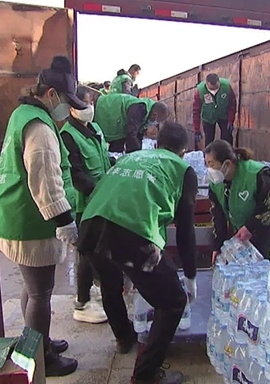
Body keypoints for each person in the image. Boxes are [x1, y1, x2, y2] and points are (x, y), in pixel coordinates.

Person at [77, 121, 198, 384]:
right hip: (131, 231)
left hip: (90, 225)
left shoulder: (133, 157)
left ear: (157, 144)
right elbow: (186, 230)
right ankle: (145, 376)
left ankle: (124, 337)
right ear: (184, 151)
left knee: (110, 284)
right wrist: (190, 275)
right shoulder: (183, 170)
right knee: (173, 301)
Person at [0, 55, 86, 377]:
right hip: (31, 222)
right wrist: (65, 222)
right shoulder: (41, 127)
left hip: (16, 216)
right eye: (66, 102)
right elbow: (46, 181)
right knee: (40, 293)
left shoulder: (22, 114)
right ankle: (41, 357)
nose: (67, 109)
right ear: (51, 94)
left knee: (32, 289)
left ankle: (36, 342)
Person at [59, 87, 116, 324]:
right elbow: (77, 175)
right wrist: (99, 192)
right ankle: (81, 302)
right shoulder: (68, 136)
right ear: (72, 108)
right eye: (83, 104)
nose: (89, 108)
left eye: (91, 103)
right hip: (85, 203)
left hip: (101, 200)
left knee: (99, 249)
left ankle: (92, 289)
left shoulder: (95, 129)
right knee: (86, 251)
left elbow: (104, 158)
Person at [204, 140, 270, 261]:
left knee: (262, 258)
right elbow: (219, 215)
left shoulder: (256, 174)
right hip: (246, 225)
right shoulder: (216, 183)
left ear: (227, 164)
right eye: (207, 165)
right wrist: (218, 246)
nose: (209, 170)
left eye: (211, 164)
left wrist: (250, 227)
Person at [94, 92, 170, 153]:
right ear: (155, 115)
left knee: (117, 149)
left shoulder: (146, 115)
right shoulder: (140, 108)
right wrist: (136, 155)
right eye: (159, 121)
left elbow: (138, 136)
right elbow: (131, 133)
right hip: (102, 109)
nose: (156, 124)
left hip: (114, 119)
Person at [193, 73, 237, 147]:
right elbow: (196, 111)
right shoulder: (200, 91)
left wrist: (230, 120)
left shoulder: (226, 87)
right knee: (209, 139)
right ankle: (208, 153)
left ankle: (228, 152)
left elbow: (232, 104)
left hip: (224, 115)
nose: (214, 90)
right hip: (208, 117)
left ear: (218, 82)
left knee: (227, 137)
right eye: (212, 89)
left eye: (216, 88)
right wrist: (196, 129)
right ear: (207, 84)